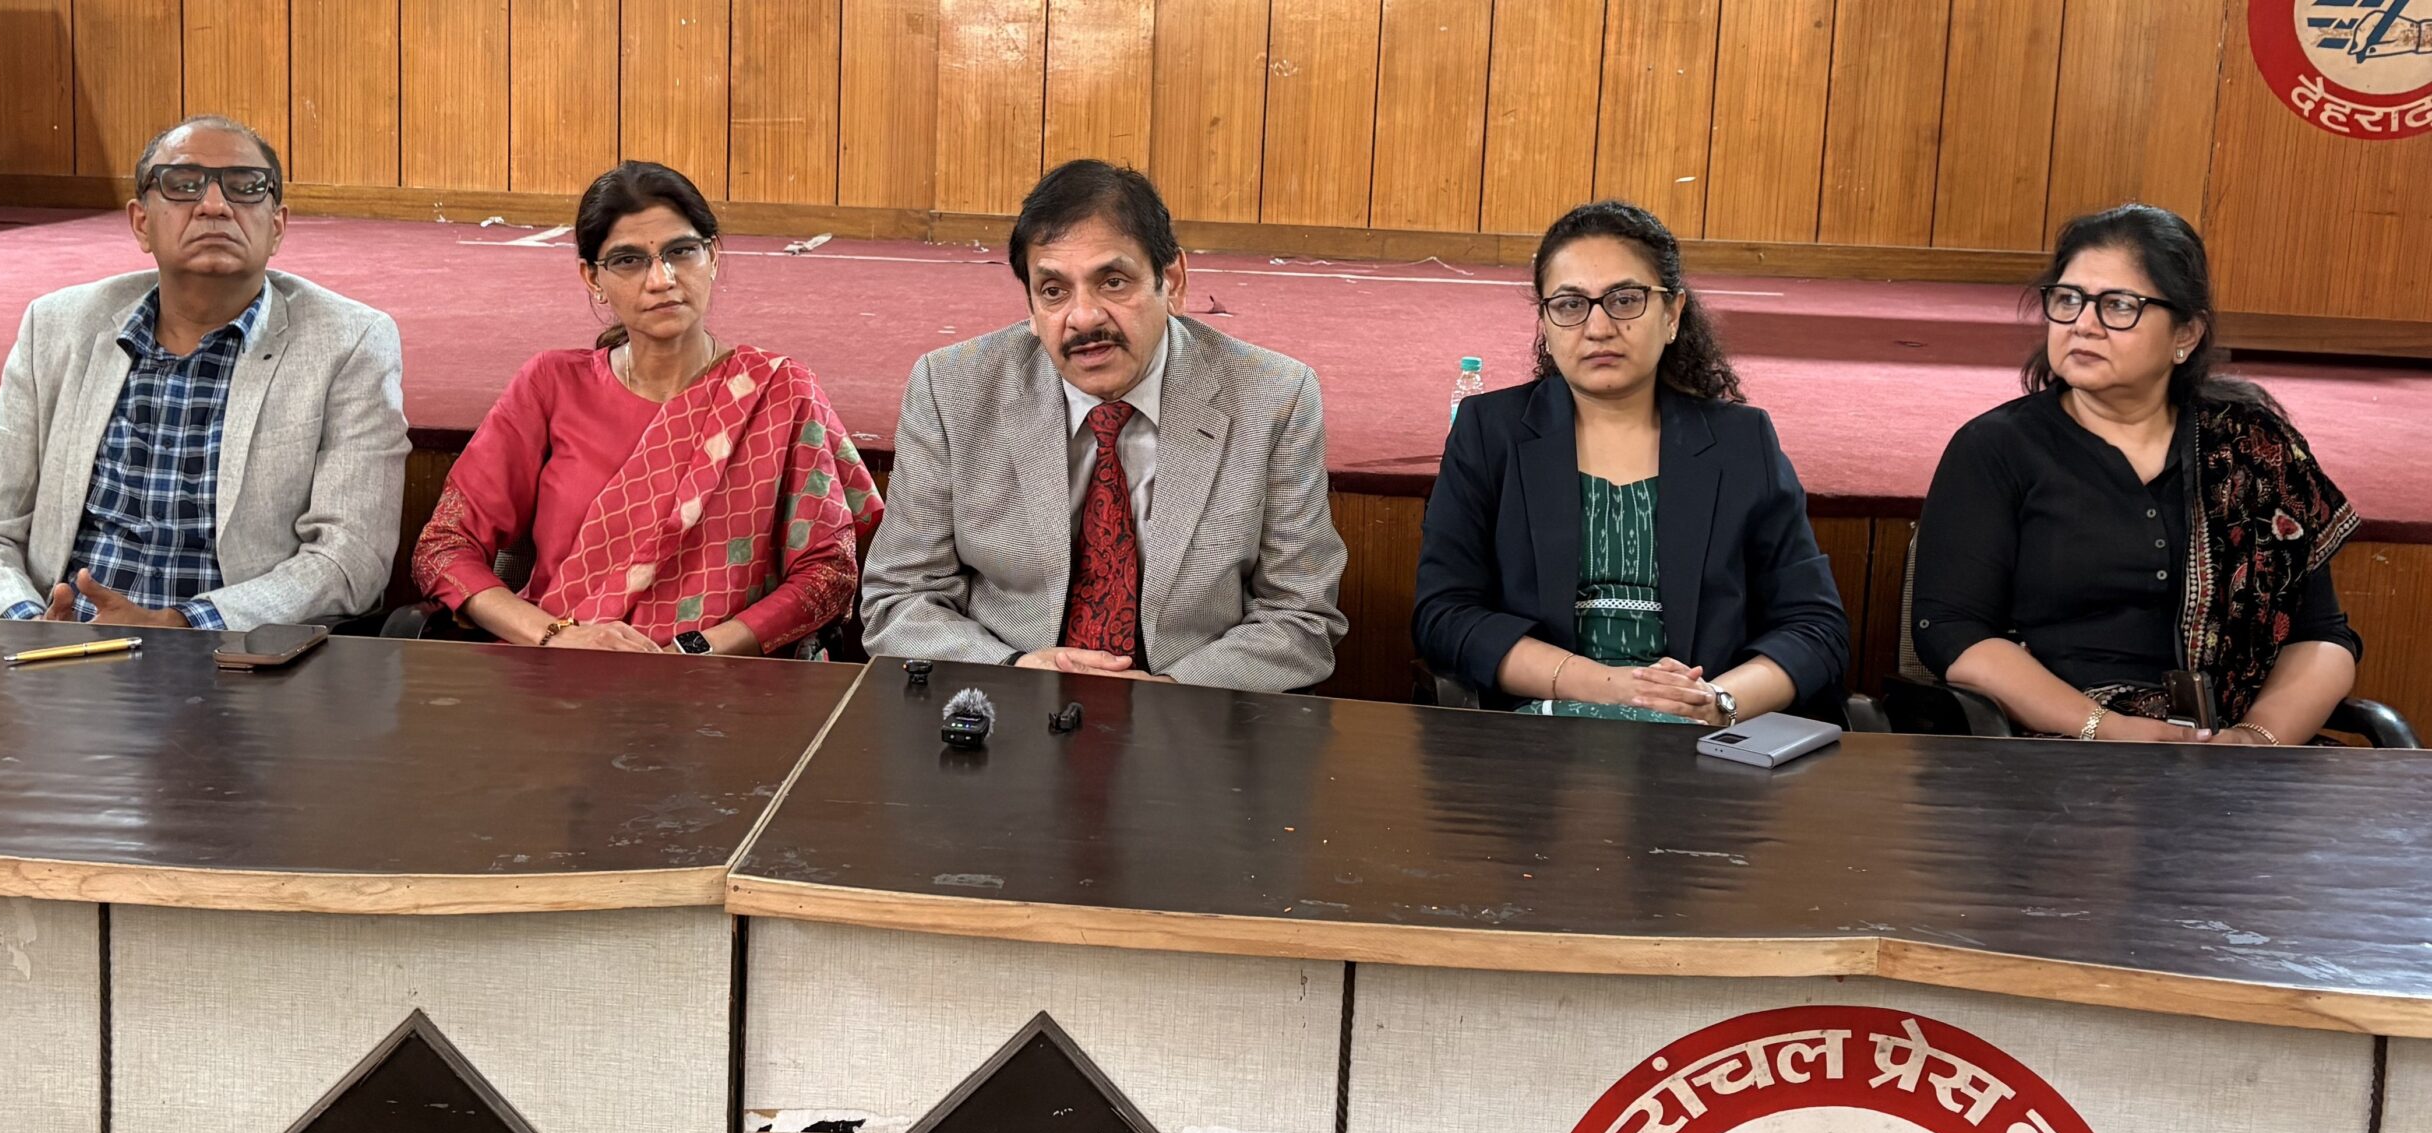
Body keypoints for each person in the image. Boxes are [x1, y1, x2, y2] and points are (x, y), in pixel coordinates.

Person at [861, 159, 1348, 691]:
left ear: (1173, 282)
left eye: (1113, 282)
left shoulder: (1273, 395)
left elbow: (1300, 616)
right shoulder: (952, 388)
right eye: (1054, 291)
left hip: (1193, 709)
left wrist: (1174, 694)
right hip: (1006, 698)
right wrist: (1013, 671)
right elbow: (900, 599)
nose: (1084, 318)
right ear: (1030, 306)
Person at [1911, 204, 2361, 745]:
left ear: (2186, 333)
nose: (2083, 324)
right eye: (2068, 299)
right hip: (2064, 748)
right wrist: (2107, 729)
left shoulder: (2253, 447)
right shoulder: (1997, 448)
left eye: (2119, 306)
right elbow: (1955, 633)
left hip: (2239, 756)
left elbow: (2321, 637)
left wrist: (2255, 740)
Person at [0, 116, 407, 629]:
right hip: (52, 651)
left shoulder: (349, 343)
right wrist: (27, 625)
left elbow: (350, 558)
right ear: (141, 222)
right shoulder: (56, 328)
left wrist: (185, 625)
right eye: (183, 185)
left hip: (227, 657)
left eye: (245, 187)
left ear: (277, 226)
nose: (214, 206)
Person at [411, 161, 882, 655]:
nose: (661, 279)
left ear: (712, 256)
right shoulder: (551, 385)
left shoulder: (780, 391)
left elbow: (828, 573)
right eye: (628, 260)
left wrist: (692, 651)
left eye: (681, 251)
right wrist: (558, 635)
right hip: (556, 675)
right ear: (592, 278)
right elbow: (443, 547)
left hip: (721, 680)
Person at [1413, 200, 1848, 724]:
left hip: (1704, 739)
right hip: (1540, 737)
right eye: (1570, 304)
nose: (1598, 327)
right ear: (1545, 321)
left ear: (1672, 313)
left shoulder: (1740, 442)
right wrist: (1612, 687)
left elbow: (1815, 628)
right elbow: (1445, 615)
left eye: (1624, 300)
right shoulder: (1491, 433)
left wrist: (1715, 702)